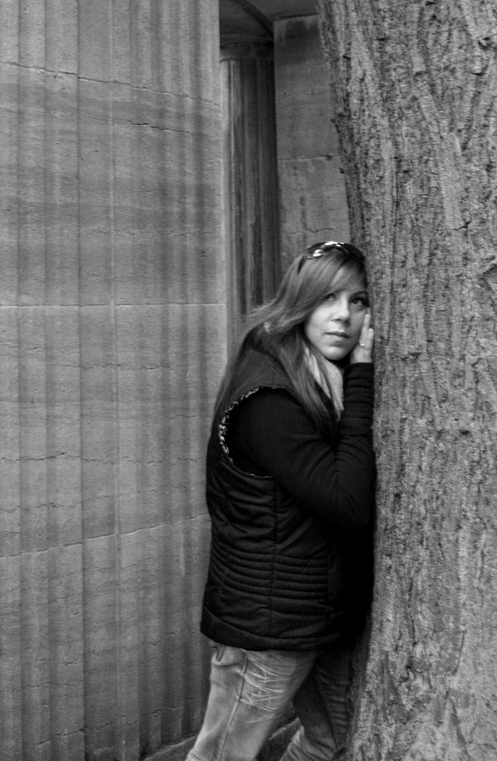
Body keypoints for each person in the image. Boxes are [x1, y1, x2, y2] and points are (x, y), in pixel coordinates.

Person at [187, 240, 375, 761]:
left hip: (312, 617)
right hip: (267, 631)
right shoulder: (270, 399)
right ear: (299, 305)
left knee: (329, 740)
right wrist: (363, 376)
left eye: (358, 302)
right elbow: (347, 501)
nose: (342, 317)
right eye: (327, 299)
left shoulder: (307, 375)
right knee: (221, 756)